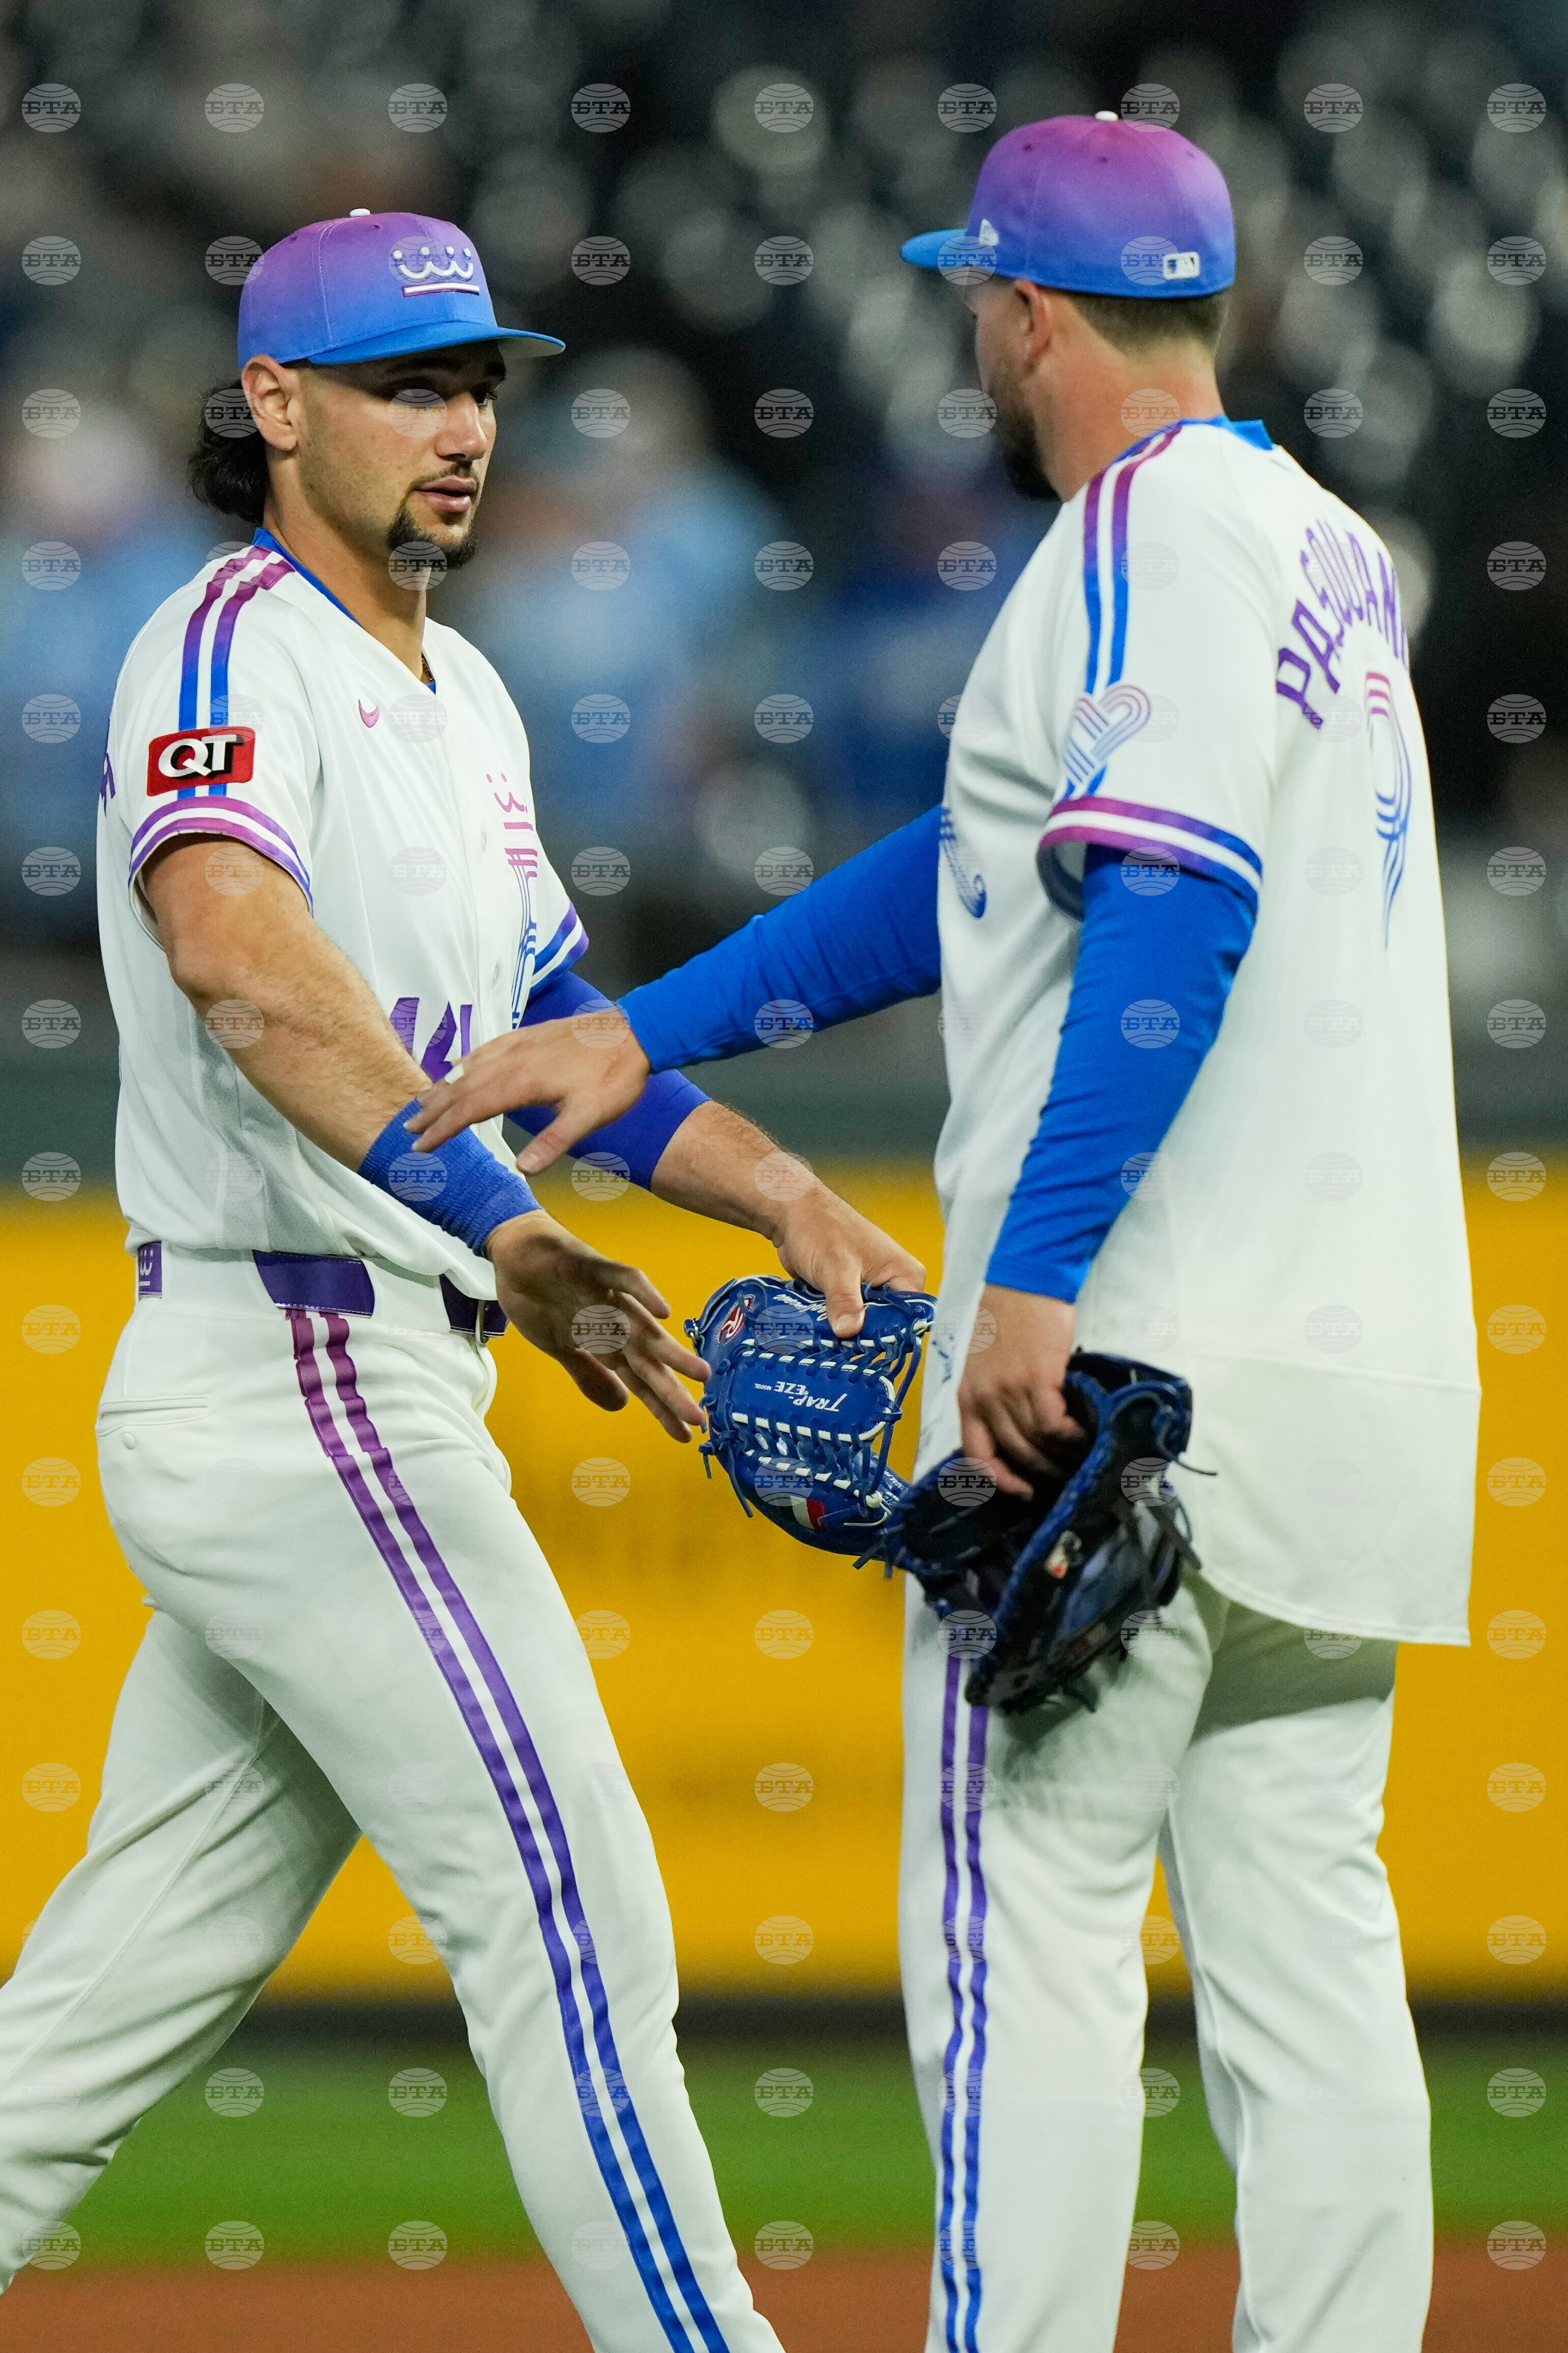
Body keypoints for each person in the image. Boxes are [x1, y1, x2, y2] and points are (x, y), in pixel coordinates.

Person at [412, 120, 1479, 2353]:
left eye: (978, 307)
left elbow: (1171, 901)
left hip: (1135, 1371)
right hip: (1362, 1391)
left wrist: (1036, 1277)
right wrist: (652, 1032)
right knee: (1313, 1951)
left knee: (1026, 1923)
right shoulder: (1314, 546)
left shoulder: (1133, 531)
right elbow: (983, 862)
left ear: (1018, 315)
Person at [0, 208, 924, 2350]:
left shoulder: (467, 689)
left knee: (97, 2013)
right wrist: (501, 1226)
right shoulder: (224, 642)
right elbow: (242, 964)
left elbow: (543, 1022)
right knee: (572, 1916)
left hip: (367, 1373)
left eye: (481, 380)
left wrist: (772, 1183)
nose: (464, 423)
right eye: (410, 380)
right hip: (301, 1369)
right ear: (275, 404)